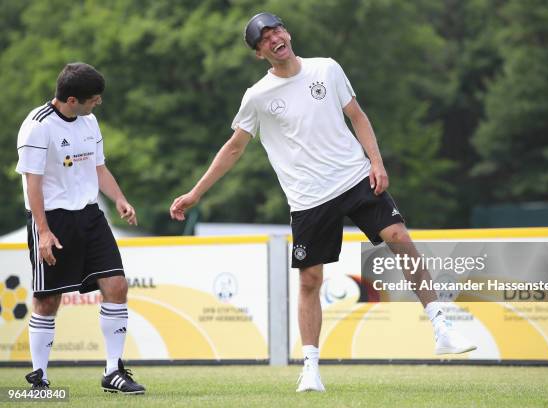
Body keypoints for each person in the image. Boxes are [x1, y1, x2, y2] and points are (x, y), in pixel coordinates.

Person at [170, 13, 476, 392]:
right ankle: (311, 368)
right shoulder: (257, 97)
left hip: (355, 178)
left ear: (288, 33)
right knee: (311, 279)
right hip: (309, 198)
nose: (274, 39)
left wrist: (377, 163)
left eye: (276, 30)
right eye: (264, 39)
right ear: (259, 54)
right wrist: (195, 193)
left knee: (399, 237)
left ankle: (441, 325)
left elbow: (358, 117)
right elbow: (233, 149)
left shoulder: (327, 69)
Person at [15, 62, 145, 394]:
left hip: (90, 215)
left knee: (116, 285)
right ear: (72, 100)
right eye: (94, 99)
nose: (98, 103)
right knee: (47, 301)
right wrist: (43, 231)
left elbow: (98, 167)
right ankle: (39, 378)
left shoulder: (88, 120)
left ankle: (113, 371)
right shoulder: (37, 127)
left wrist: (119, 199)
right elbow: (33, 184)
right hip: (53, 220)